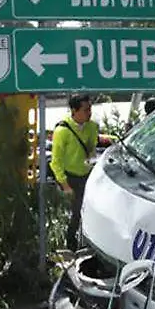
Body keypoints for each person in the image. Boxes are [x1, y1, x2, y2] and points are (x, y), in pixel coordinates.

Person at [51, 94, 99, 251]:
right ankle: (70, 244)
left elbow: (92, 148)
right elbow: (55, 162)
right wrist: (64, 185)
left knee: (90, 210)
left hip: (87, 174)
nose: (89, 113)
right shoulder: (62, 131)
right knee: (75, 213)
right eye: (86, 110)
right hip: (70, 177)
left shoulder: (91, 126)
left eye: (90, 109)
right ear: (74, 111)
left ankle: (87, 243)